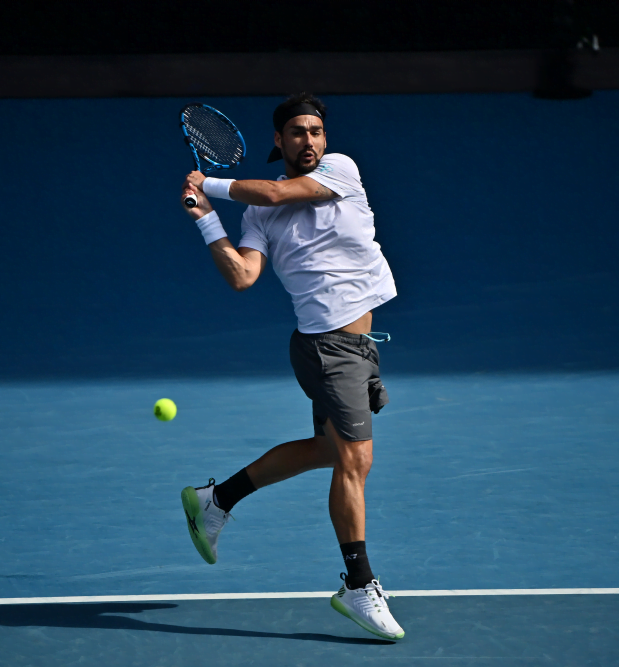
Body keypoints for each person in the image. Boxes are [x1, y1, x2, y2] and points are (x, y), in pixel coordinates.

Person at [178, 92, 403, 641]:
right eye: (298, 132)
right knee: (355, 460)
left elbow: (279, 191)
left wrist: (209, 184)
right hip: (326, 349)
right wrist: (207, 220)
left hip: (359, 344)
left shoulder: (340, 170)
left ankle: (216, 500)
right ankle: (358, 584)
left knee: (329, 451)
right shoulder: (259, 213)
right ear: (278, 140)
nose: (310, 141)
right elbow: (243, 276)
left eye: (316, 131)